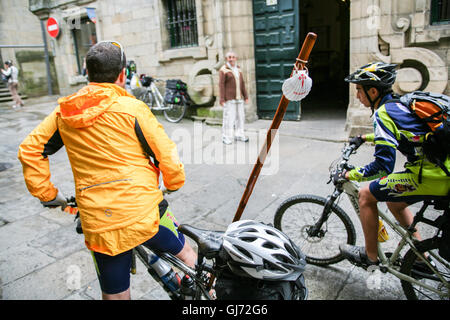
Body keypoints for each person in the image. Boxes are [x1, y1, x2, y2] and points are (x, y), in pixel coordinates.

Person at [17, 41, 197, 300]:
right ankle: (209, 294)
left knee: (115, 295)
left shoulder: (63, 114)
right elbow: (166, 153)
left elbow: (30, 150)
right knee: (188, 256)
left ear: (87, 73)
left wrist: (48, 195)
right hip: (145, 211)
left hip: (100, 222)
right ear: (122, 74)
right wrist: (173, 182)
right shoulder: (133, 109)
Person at [338, 62, 450, 267]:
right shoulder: (399, 104)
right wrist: (365, 137)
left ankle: (370, 257)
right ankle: (420, 255)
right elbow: (404, 135)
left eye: (359, 90)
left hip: (430, 177)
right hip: (443, 171)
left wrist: (350, 175)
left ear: (373, 91)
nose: (357, 96)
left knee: (365, 195)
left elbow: (382, 167)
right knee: (395, 202)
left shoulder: (383, 113)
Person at [219, 51, 249, 144]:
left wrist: (246, 96)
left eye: (233, 57)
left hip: (239, 98)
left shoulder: (238, 69)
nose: (231, 59)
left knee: (240, 117)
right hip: (229, 98)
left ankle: (239, 134)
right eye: (229, 57)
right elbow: (221, 85)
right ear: (226, 59)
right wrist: (222, 99)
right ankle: (226, 136)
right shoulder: (223, 69)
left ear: (236, 58)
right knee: (229, 118)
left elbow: (242, 83)